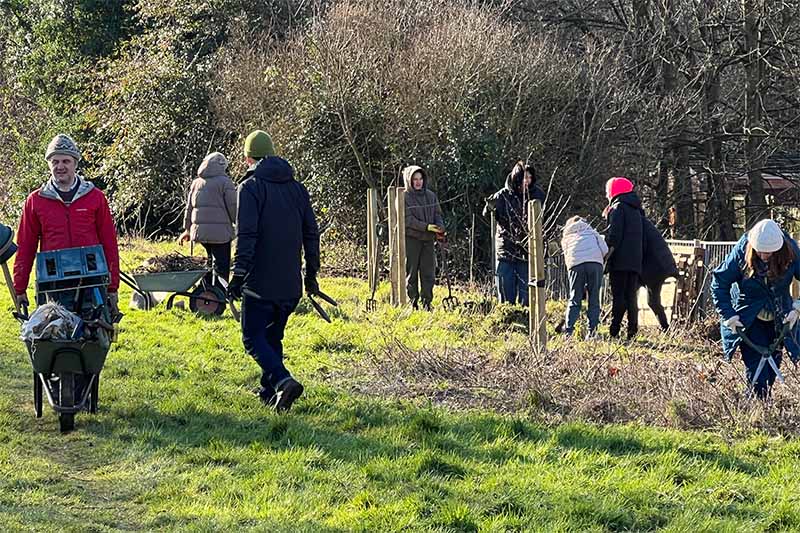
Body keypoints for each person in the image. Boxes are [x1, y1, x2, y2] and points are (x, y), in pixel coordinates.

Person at [227, 130, 320, 413]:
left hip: (260, 282)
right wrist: (311, 275)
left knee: (252, 338)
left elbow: (247, 236)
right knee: (272, 337)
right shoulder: (298, 188)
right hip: (290, 284)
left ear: (247, 158)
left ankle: (282, 380)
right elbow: (311, 234)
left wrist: (238, 275)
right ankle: (270, 394)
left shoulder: (251, 188)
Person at [13, 134, 120, 317]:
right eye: (55, 162)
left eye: (65, 161)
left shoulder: (95, 197)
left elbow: (109, 242)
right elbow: (25, 246)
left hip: (92, 277)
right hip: (53, 279)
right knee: (56, 331)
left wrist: (112, 286)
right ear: (49, 165)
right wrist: (19, 287)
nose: (60, 167)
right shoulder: (36, 201)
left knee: (93, 333)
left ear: (75, 164)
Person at [711, 219, 800, 399]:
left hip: (780, 318)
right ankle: (756, 411)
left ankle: (759, 409)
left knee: (772, 366)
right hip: (748, 318)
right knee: (757, 369)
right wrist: (729, 316)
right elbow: (719, 283)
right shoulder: (741, 251)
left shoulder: (790, 251)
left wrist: (797, 308)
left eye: (769, 252)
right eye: (760, 251)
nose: (764, 255)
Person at [485, 161, 541, 306]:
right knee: (505, 295)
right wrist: (490, 207)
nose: (526, 181)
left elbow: (543, 219)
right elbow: (487, 212)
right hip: (506, 250)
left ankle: (526, 321)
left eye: (529, 177)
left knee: (527, 295)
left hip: (527, 251)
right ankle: (507, 321)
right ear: (516, 178)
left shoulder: (537, 195)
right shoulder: (503, 195)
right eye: (523, 178)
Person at [179, 152, 237, 288]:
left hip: (200, 233)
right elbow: (233, 207)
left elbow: (189, 208)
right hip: (220, 234)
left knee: (209, 262)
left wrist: (187, 230)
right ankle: (220, 293)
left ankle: (205, 290)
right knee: (221, 265)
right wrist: (239, 224)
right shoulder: (225, 182)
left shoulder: (196, 183)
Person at [603, 176, 643, 340]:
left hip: (619, 260)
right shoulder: (637, 210)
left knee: (618, 296)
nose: (607, 195)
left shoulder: (618, 208)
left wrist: (607, 253)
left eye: (608, 191)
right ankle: (632, 331)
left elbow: (614, 235)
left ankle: (614, 329)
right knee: (631, 296)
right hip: (635, 260)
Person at [402, 165, 445, 310]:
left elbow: (437, 214)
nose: (418, 182)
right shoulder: (404, 197)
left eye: (420, 179)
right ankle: (413, 303)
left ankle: (427, 303)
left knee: (428, 273)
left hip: (428, 240)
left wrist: (439, 228)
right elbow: (407, 220)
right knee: (412, 273)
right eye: (415, 179)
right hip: (412, 239)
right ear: (409, 180)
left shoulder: (431, 196)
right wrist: (426, 226)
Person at [561, 216, 608, 338]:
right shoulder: (592, 231)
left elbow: (566, 254)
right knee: (593, 298)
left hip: (575, 264)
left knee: (574, 297)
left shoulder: (566, 236)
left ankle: (568, 331)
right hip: (594, 263)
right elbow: (605, 249)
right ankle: (592, 332)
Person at [640, 218, 678, 331]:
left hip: (655, 268)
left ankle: (665, 327)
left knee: (651, 301)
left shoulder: (639, 226)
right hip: (658, 266)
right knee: (653, 301)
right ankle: (665, 327)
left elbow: (642, 247)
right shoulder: (646, 224)